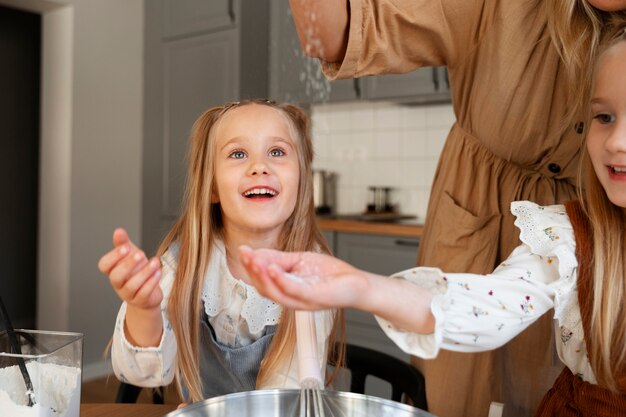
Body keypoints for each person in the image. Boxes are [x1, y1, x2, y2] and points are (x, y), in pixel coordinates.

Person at [239, 24, 626, 417]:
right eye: (604, 117)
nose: (616, 142)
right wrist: (361, 287)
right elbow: (480, 305)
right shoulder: (568, 238)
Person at [97, 99, 344, 403]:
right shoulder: (185, 262)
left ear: (302, 181)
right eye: (238, 154)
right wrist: (144, 309)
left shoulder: (315, 275)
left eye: (277, 152)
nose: (260, 167)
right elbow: (143, 374)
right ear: (212, 187)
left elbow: (288, 396)